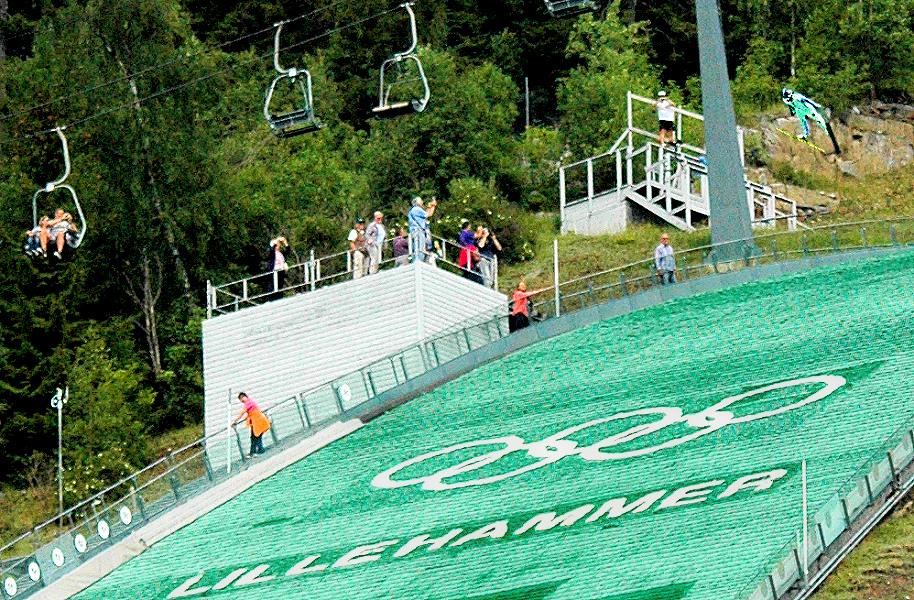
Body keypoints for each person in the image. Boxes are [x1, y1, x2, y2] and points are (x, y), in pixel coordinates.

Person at [232, 392, 271, 458]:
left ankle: (254, 451)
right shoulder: (250, 401)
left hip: (257, 421)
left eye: (241, 400)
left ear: (243, 397)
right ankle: (259, 449)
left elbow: (241, 413)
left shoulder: (248, 402)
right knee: (257, 435)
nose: (241, 402)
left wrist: (234, 421)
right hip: (257, 420)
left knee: (255, 436)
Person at [407, 196, 437, 263]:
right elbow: (429, 214)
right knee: (420, 249)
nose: (422, 202)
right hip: (418, 231)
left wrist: (430, 207)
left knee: (416, 249)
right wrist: (433, 206)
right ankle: (418, 261)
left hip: (415, 231)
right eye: (421, 201)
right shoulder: (417, 209)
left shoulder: (413, 210)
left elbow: (424, 215)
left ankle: (416, 261)